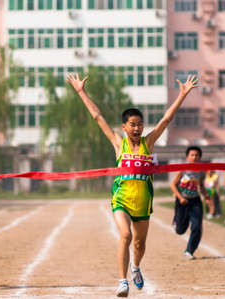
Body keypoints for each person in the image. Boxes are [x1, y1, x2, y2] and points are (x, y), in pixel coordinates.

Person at [67, 73, 198, 297]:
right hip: (121, 199)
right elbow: (98, 117)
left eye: (140, 125)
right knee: (125, 236)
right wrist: (81, 92)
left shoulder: (149, 142)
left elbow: (166, 119)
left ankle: (136, 267)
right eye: (132, 125)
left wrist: (182, 95)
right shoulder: (119, 143)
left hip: (143, 202)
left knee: (139, 244)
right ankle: (122, 281)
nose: (137, 129)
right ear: (125, 127)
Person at [170, 146, 210, 260]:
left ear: (200, 157)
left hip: (195, 200)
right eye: (192, 155)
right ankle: (176, 221)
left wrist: (206, 194)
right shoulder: (182, 169)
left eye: (197, 155)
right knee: (180, 231)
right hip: (182, 201)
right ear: (187, 157)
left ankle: (189, 250)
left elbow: (201, 186)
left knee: (197, 226)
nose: (194, 157)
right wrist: (180, 197)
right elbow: (173, 185)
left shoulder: (201, 172)